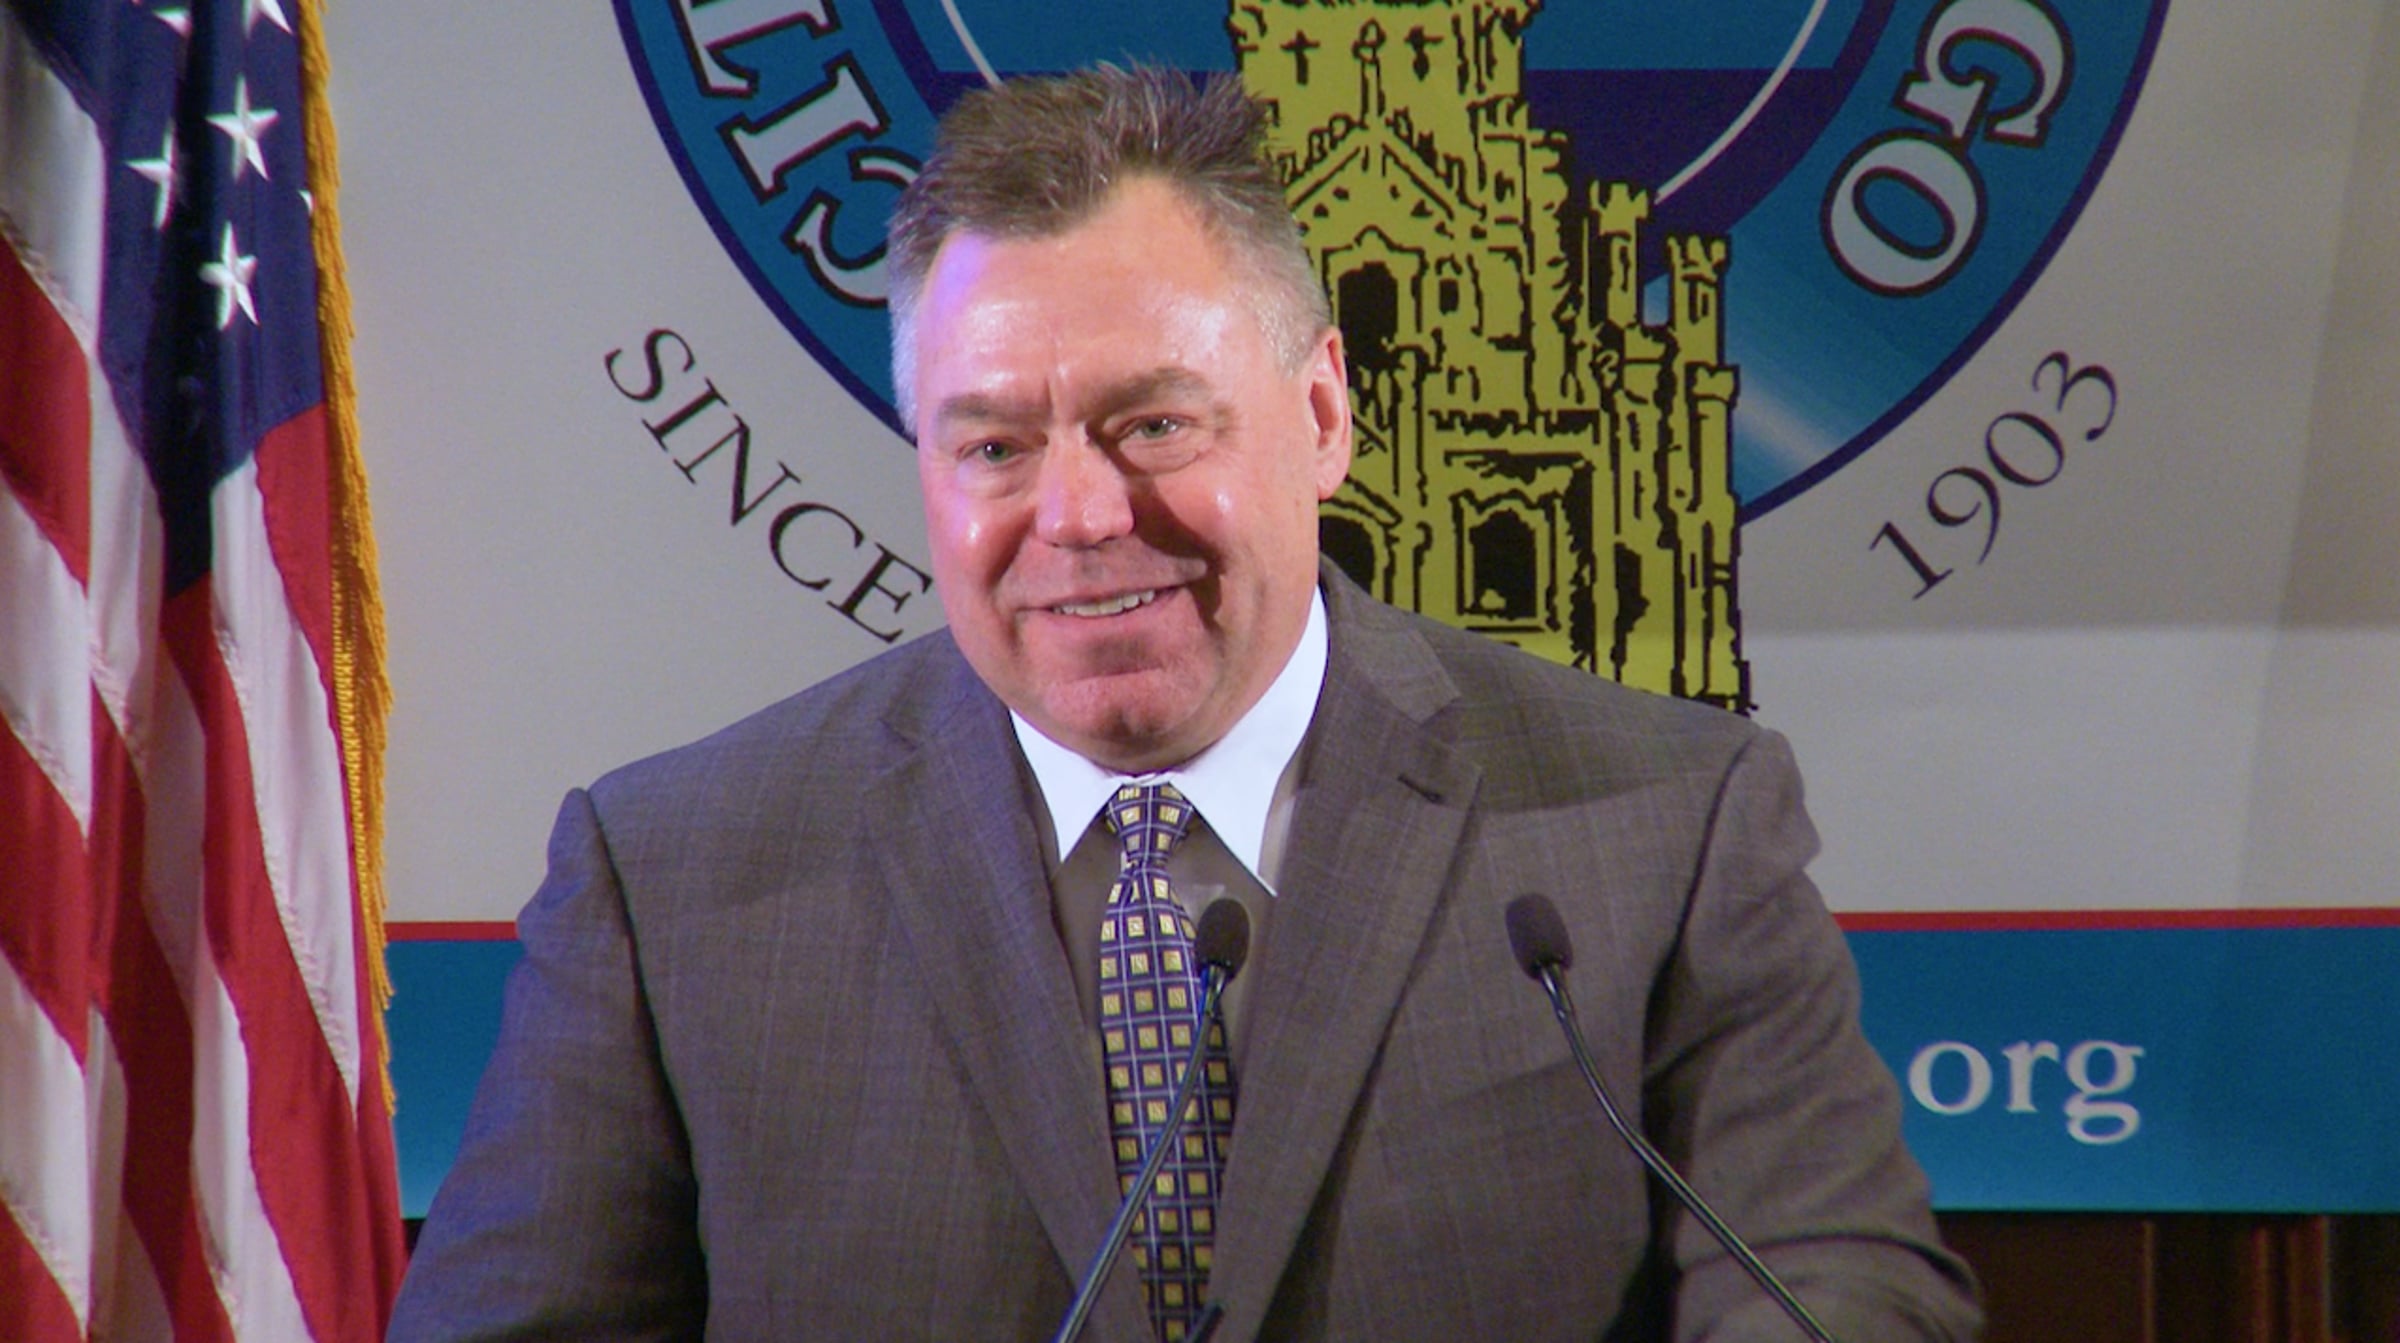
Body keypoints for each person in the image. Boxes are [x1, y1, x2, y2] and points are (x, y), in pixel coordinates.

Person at [391, 65, 1982, 1341]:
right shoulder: (672, 880)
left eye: (1153, 424)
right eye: (995, 447)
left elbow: (1839, 1284)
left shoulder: (1664, 827)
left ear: (1323, 414)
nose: (1080, 516)